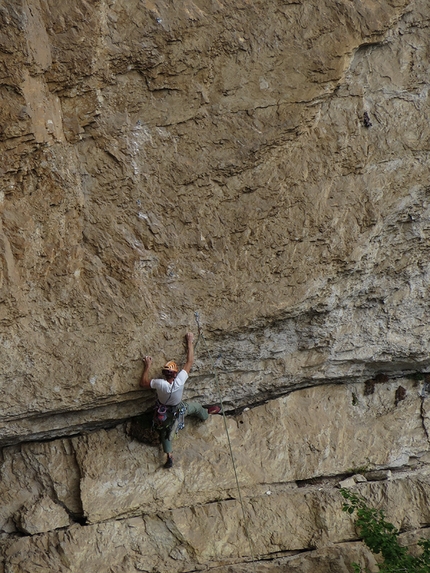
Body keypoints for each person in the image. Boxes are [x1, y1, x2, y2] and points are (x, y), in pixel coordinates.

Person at [140, 332, 220, 468]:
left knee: (165, 431)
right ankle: (206, 414)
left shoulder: (160, 384)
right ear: (175, 373)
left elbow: (143, 383)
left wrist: (147, 366)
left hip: (163, 411)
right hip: (178, 408)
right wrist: (189, 340)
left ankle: (169, 456)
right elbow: (190, 361)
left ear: (165, 375)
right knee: (196, 408)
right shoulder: (180, 380)